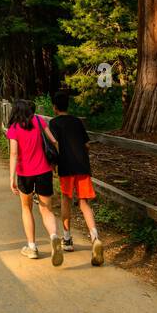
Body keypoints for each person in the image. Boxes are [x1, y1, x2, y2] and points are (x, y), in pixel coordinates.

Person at [5, 98, 63, 265]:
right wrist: (56, 161)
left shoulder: (14, 128)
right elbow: (53, 140)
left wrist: (11, 178)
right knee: (46, 209)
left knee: (26, 208)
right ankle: (54, 237)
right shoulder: (38, 120)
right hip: (44, 171)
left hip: (25, 174)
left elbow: (14, 154)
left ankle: (32, 247)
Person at [49, 90, 103, 265]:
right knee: (84, 202)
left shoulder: (54, 124)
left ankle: (67, 239)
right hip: (82, 166)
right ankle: (95, 237)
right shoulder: (77, 122)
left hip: (66, 167)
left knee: (66, 199)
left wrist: (54, 164)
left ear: (55, 108)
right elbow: (87, 145)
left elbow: (53, 146)